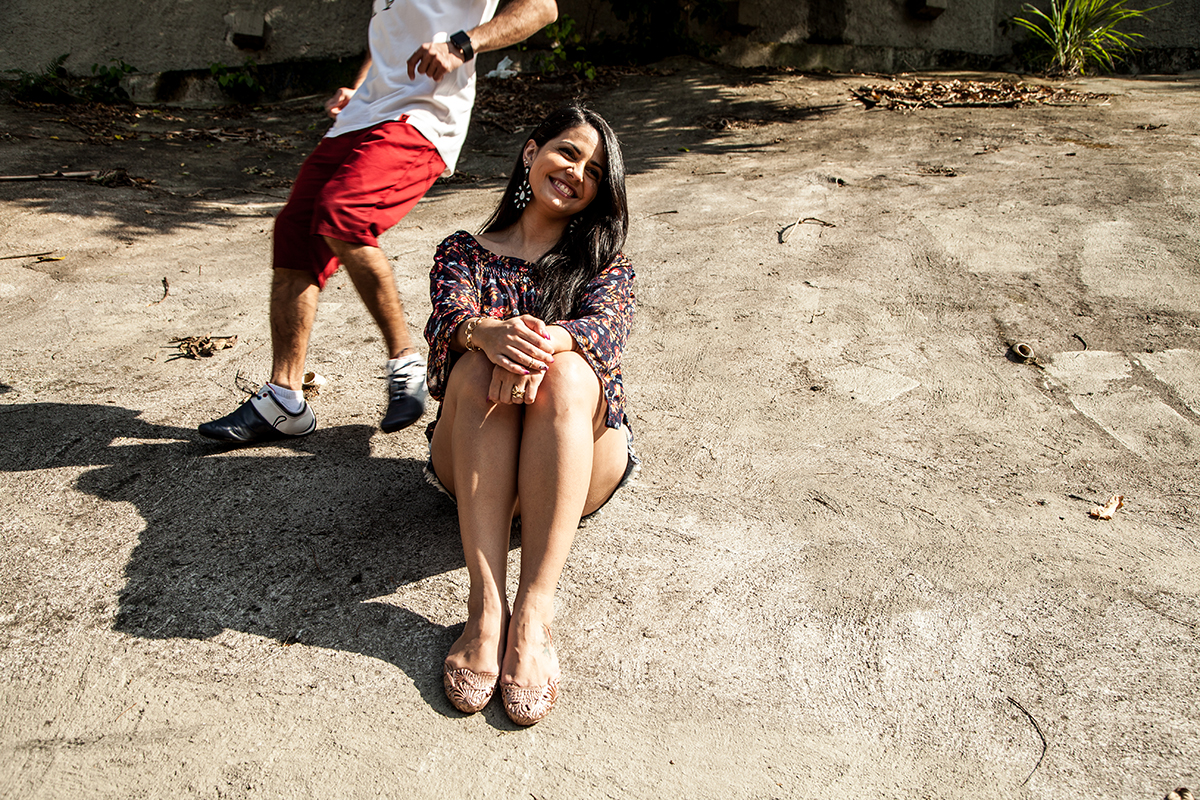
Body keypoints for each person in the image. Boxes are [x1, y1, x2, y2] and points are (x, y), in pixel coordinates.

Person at [199, 0, 558, 443]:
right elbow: (391, 30)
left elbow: (542, 7)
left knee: (342, 214)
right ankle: (284, 399)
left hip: (424, 113)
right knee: (294, 232)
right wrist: (360, 84)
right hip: (363, 111)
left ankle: (405, 363)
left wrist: (463, 44)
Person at [423, 103, 637, 725]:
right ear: (530, 152)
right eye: (567, 153)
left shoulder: (604, 266)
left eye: (594, 171)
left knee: (569, 370)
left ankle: (534, 618)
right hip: (474, 460)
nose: (575, 173)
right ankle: (486, 611)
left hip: (573, 463)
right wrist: (485, 335)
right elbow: (446, 324)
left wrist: (541, 346)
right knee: (474, 364)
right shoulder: (463, 252)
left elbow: (603, 331)